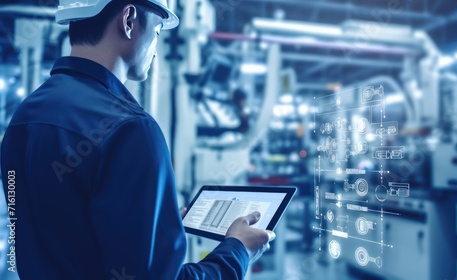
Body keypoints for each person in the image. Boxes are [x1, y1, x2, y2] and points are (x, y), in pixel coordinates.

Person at [0, 0, 274, 279]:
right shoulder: (131, 128)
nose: (155, 49)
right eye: (156, 31)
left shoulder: (25, 116)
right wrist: (238, 250)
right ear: (129, 20)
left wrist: (149, 228)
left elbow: (66, 232)